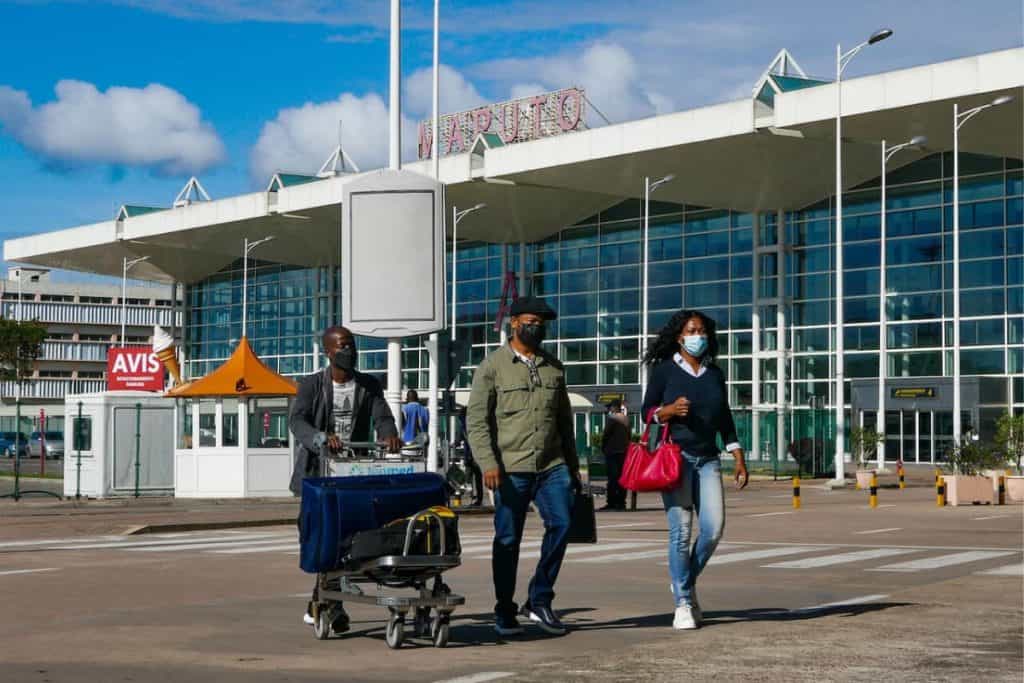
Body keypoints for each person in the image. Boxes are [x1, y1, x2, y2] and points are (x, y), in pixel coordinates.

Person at [466, 296, 580, 637]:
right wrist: (488, 462)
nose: (537, 327)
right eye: (531, 321)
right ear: (514, 323)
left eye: (542, 323)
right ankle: (504, 609)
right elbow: (476, 421)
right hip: (509, 466)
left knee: (562, 524)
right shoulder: (492, 366)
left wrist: (573, 467)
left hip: (552, 464)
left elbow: (564, 421)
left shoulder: (554, 367)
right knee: (507, 539)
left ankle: (539, 599)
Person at [641, 309, 748, 631]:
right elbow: (646, 412)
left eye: (701, 330)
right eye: (691, 330)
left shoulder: (715, 373)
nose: (696, 336)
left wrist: (738, 453)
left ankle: (682, 580)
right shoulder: (663, 371)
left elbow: (725, 417)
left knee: (713, 529)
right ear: (679, 336)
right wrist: (668, 411)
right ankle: (683, 603)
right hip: (677, 458)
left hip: (709, 459)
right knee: (681, 532)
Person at [289, 325, 402, 633]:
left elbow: (383, 417)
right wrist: (319, 438)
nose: (349, 351)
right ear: (328, 352)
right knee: (321, 534)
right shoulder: (312, 385)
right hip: (319, 473)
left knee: (349, 536)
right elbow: (296, 420)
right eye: (342, 346)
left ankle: (327, 601)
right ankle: (327, 599)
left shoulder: (369, 385)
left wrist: (389, 435)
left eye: (352, 345)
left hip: (355, 471)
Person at [599, 400, 630, 511]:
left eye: (609, 408)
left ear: (613, 408)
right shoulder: (626, 419)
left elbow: (606, 434)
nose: (608, 410)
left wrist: (603, 447)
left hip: (612, 451)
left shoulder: (612, 419)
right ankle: (621, 502)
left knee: (612, 478)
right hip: (624, 451)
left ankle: (611, 502)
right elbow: (629, 436)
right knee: (622, 478)